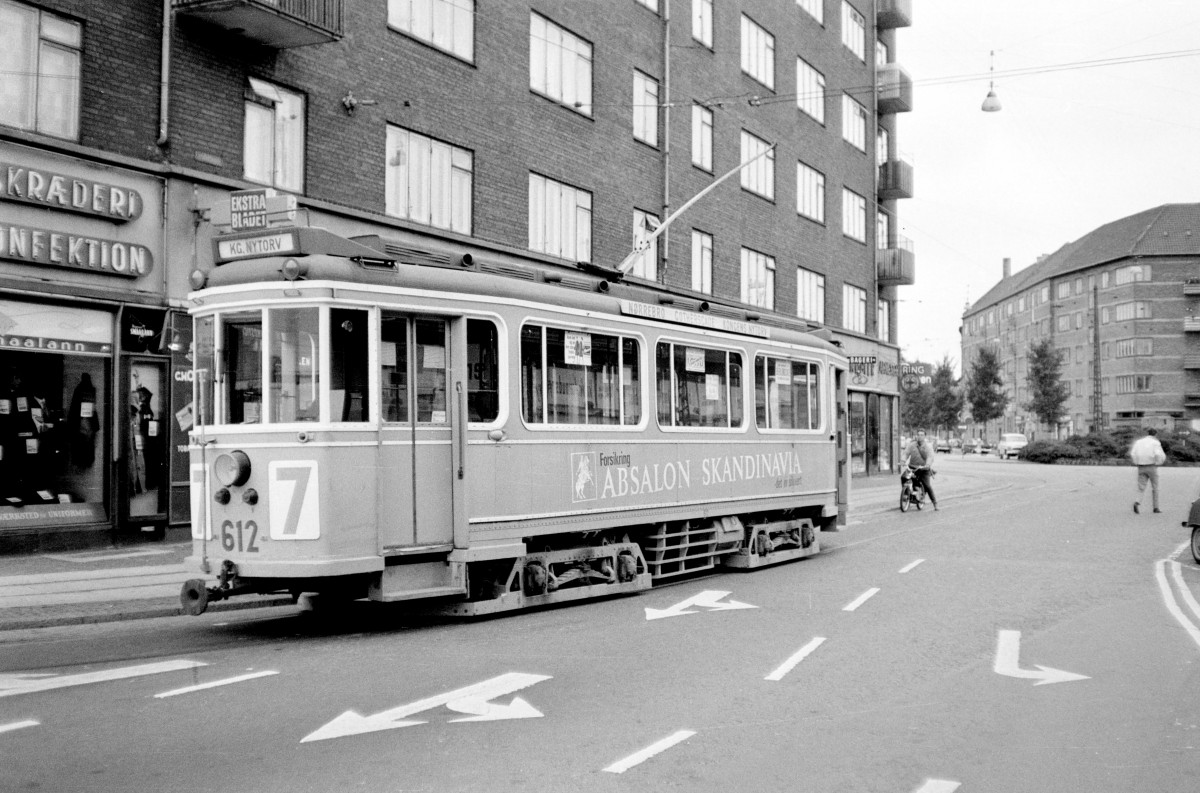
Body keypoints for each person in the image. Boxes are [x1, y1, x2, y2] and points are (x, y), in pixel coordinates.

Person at [1130, 427, 1166, 514]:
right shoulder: (1155, 442)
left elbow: (1133, 453)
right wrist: (1158, 462)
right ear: (1155, 434)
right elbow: (1158, 454)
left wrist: (1137, 462)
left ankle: (1137, 502)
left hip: (1141, 466)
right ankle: (1155, 507)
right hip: (1152, 466)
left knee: (1141, 487)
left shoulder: (1138, 442)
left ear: (1147, 433)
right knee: (1155, 488)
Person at [903, 429, 939, 510]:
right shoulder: (912, 445)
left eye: (922, 435)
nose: (920, 436)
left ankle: (935, 503)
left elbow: (930, 456)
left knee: (927, 485)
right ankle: (906, 494)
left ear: (925, 436)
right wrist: (903, 461)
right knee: (904, 477)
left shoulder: (928, 447)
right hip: (912, 467)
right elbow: (906, 453)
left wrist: (927, 465)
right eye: (918, 434)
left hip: (923, 469)